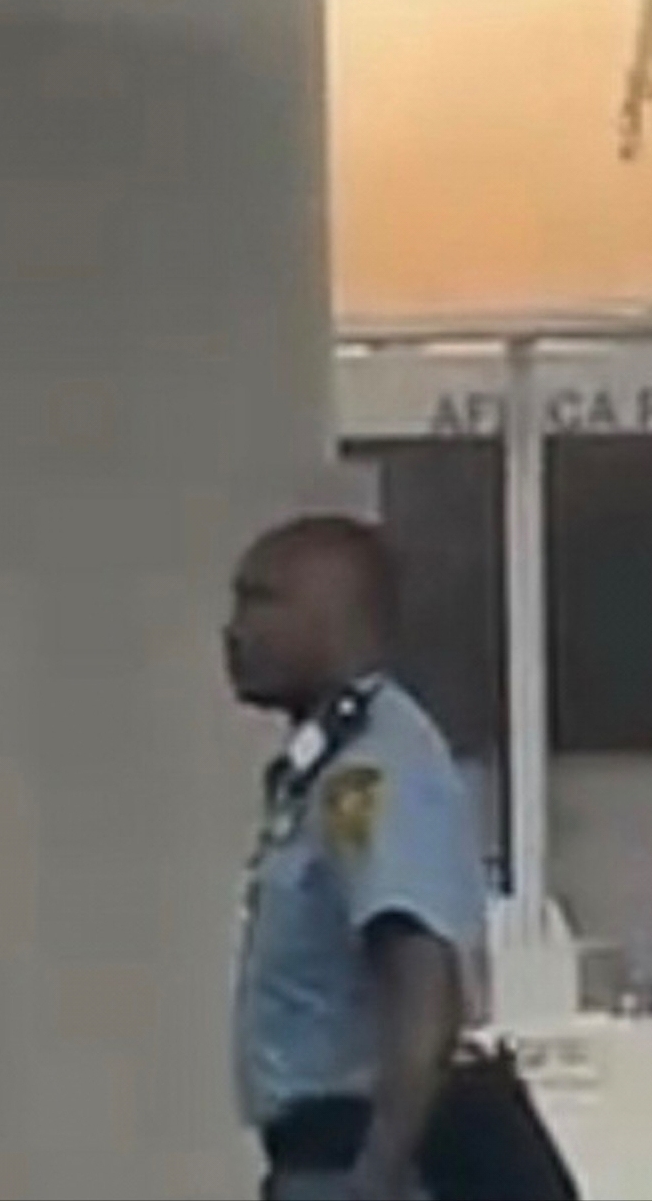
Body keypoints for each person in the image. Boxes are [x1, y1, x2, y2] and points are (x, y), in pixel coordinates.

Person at [226, 515, 487, 1201]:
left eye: (261, 600)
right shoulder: (330, 762)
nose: (235, 630)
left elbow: (423, 983)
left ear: (334, 614)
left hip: (357, 1155)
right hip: (320, 1158)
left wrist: (376, 1175)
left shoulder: (375, 770)